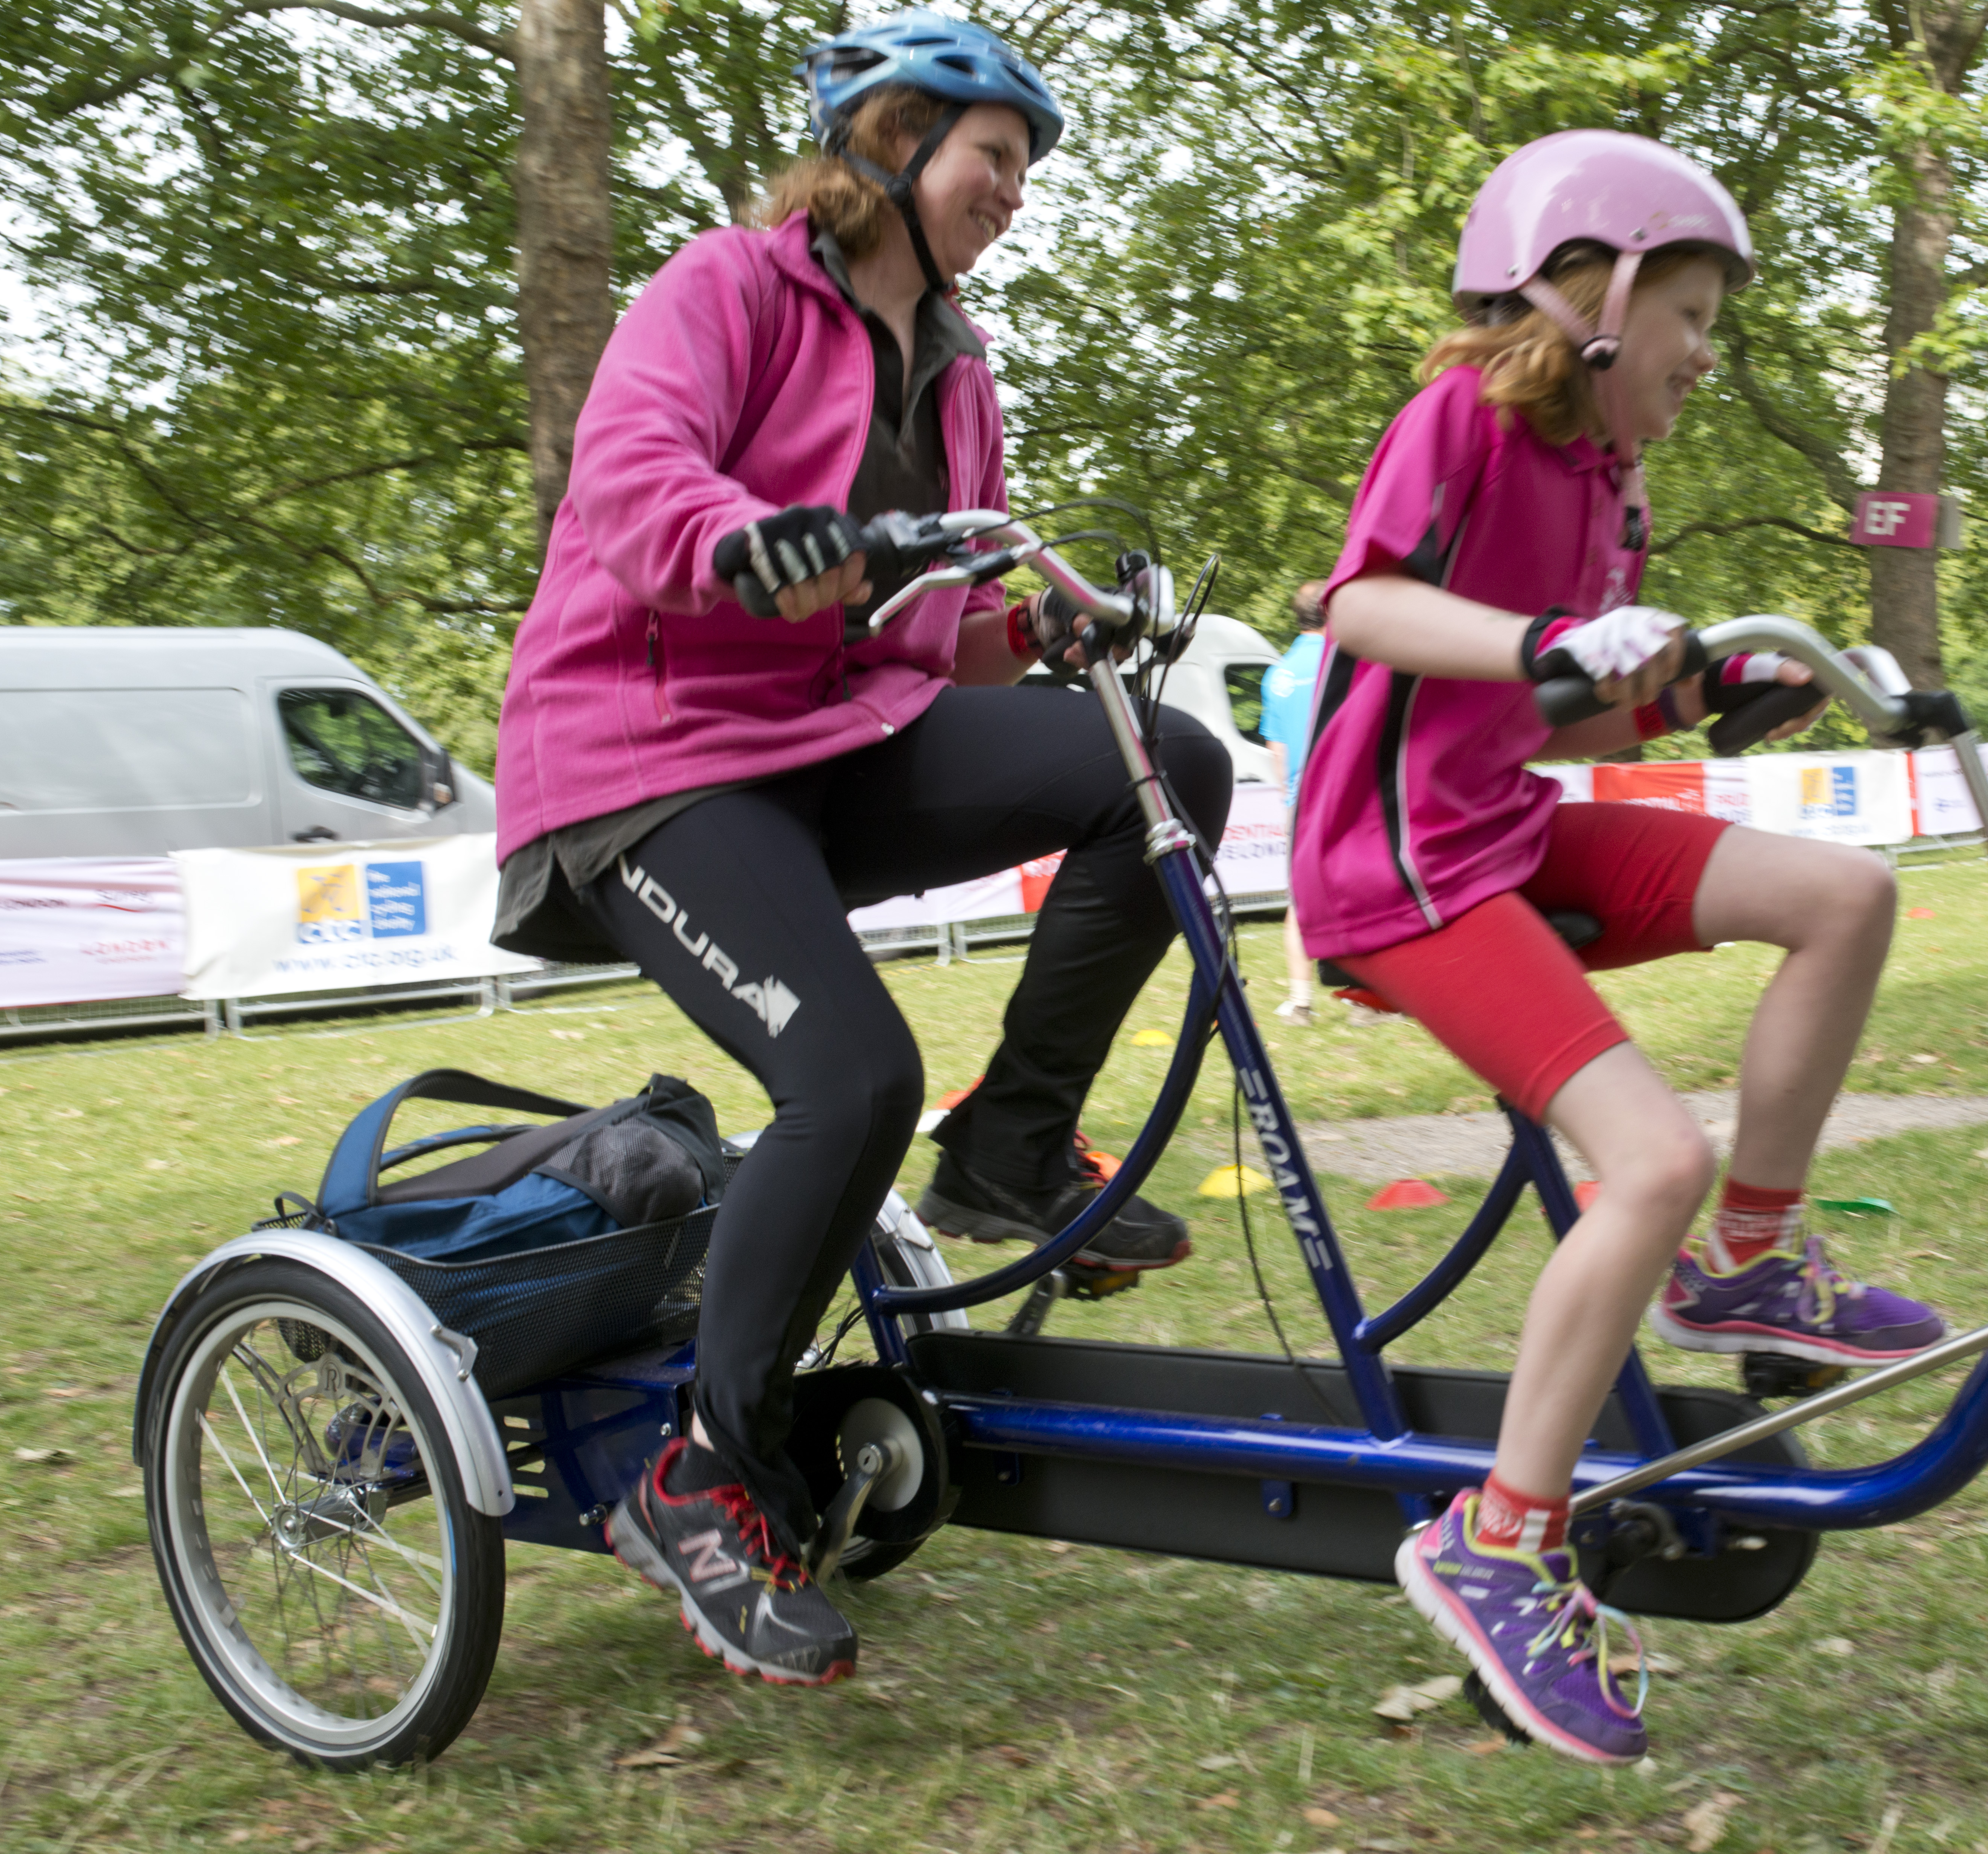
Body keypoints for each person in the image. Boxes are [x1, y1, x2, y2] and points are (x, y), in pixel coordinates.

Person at [487, 13, 1231, 1687]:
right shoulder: (729, 288)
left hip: (836, 742)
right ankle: (702, 1471)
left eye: (1028, 168)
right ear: (891, 140)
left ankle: (1012, 1150)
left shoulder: (956, 368)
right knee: (849, 1071)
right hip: (649, 762)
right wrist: (774, 546)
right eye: (994, 157)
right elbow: (634, 488)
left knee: (1159, 759)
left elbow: (937, 628)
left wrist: (1032, 622)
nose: (1013, 191)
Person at [1289, 130, 1944, 1765]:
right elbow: (1363, 606)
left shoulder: (1613, 490)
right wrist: (1544, 641)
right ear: (1609, 291)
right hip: (1396, 866)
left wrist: (1705, 695)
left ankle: (1757, 1255)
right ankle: (1496, 1538)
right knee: (1643, 1159)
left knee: (1844, 894)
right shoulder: (1460, 421)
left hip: (1500, 823)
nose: (1706, 360)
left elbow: (1592, 692)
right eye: (1695, 318)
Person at [1260, 581, 1327, 1025]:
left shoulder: (1278, 674)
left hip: (1301, 798)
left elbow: (1277, 751)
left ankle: (1300, 1002)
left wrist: (1289, 796)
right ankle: (1367, 999)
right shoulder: (1351, 661)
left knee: (1301, 901)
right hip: (1350, 793)